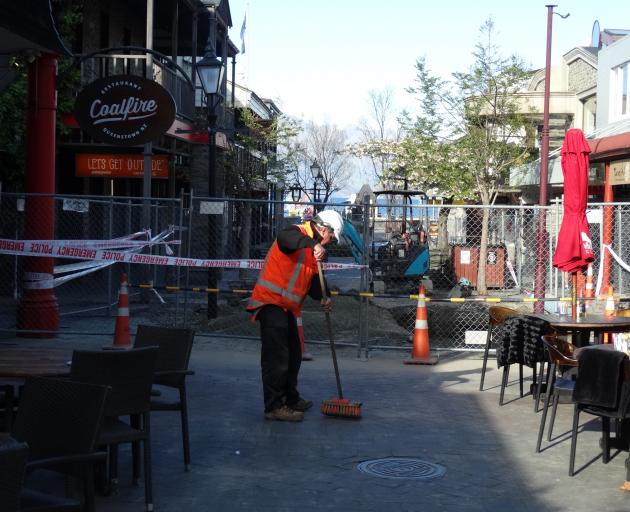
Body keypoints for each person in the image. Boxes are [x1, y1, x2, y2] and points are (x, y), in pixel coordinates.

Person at [246, 209, 345, 421]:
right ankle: (274, 406)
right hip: (270, 301)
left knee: (293, 355)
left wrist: (324, 297)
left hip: (286, 306)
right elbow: (284, 237)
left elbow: (314, 284)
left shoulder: (314, 252)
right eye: (330, 237)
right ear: (323, 229)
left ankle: (290, 398)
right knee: (277, 357)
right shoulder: (298, 233)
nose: (329, 242)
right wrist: (314, 244)